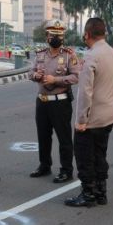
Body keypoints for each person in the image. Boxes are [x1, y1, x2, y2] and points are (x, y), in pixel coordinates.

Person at [65, 17, 113, 207]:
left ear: (87, 34)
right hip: (108, 115)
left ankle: (88, 193)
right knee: (100, 154)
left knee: (84, 156)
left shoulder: (91, 56)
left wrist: (81, 119)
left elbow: (85, 92)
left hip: (92, 118)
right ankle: (101, 192)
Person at [28, 19, 80, 183]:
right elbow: (30, 71)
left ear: (63, 37)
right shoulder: (40, 54)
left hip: (60, 102)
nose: (56, 37)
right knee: (43, 136)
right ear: (47, 36)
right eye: (52, 35)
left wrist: (55, 80)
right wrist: (35, 75)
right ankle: (44, 165)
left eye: (59, 35)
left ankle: (66, 169)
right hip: (42, 101)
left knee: (64, 137)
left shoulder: (69, 55)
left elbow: (75, 77)